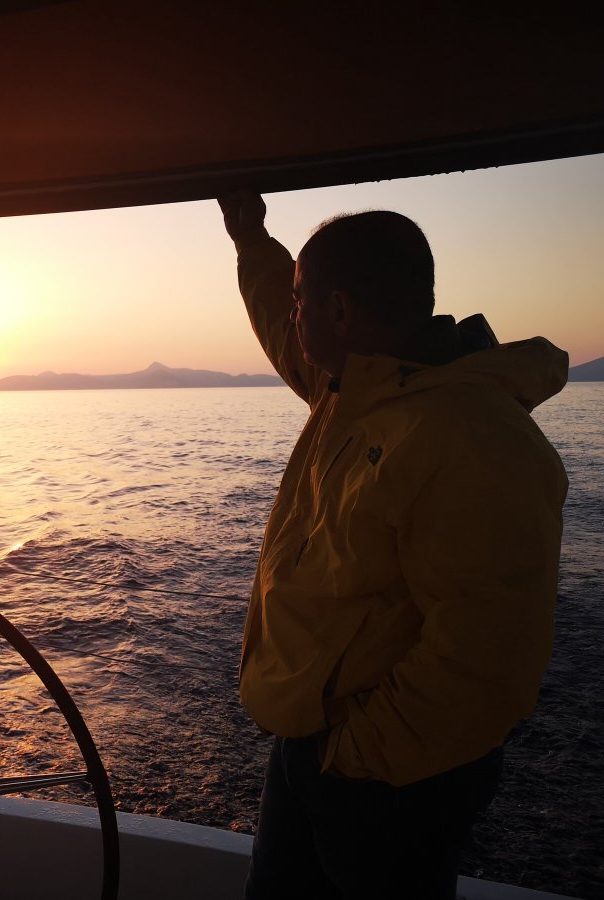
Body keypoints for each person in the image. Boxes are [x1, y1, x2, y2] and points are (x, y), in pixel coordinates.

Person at [216, 191, 568, 899]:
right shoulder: (355, 392)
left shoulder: (471, 436)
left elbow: (486, 653)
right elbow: (285, 335)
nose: (293, 319)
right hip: (318, 745)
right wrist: (251, 241)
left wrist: (355, 758)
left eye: (301, 302)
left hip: (389, 776)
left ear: (340, 311)